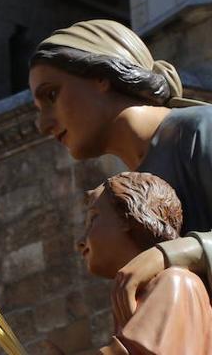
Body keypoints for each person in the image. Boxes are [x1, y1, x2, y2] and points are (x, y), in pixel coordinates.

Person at [28, 19, 212, 328]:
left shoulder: (200, 129)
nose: (43, 123)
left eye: (51, 96)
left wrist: (172, 254)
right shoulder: (136, 190)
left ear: (101, 76)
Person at [74, 172, 212, 354]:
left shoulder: (174, 282)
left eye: (93, 219)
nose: (80, 242)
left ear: (128, 216)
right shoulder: (140, 295)